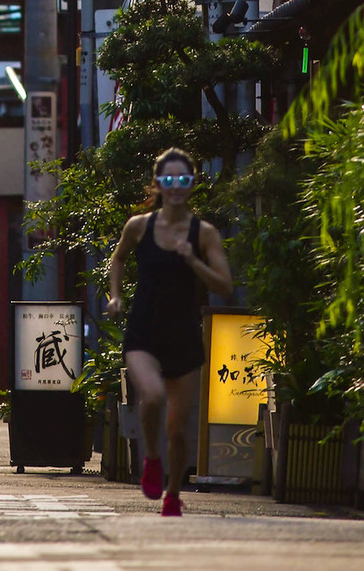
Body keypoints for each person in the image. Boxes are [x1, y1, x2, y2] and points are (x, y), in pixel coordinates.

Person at [107, 147, 233, 518]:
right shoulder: (139, 226)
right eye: (168, 180)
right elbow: (118, 258)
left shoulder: (203, 233)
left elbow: (224, 284)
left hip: (183, 334)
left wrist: (192, 260)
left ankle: (173, 493)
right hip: (143, 330)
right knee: (153, 395)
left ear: (192, 184)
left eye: (183, 180)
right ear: (158, 184)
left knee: (178, 428)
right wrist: (115, 295)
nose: (176, 187)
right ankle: (150, 457)